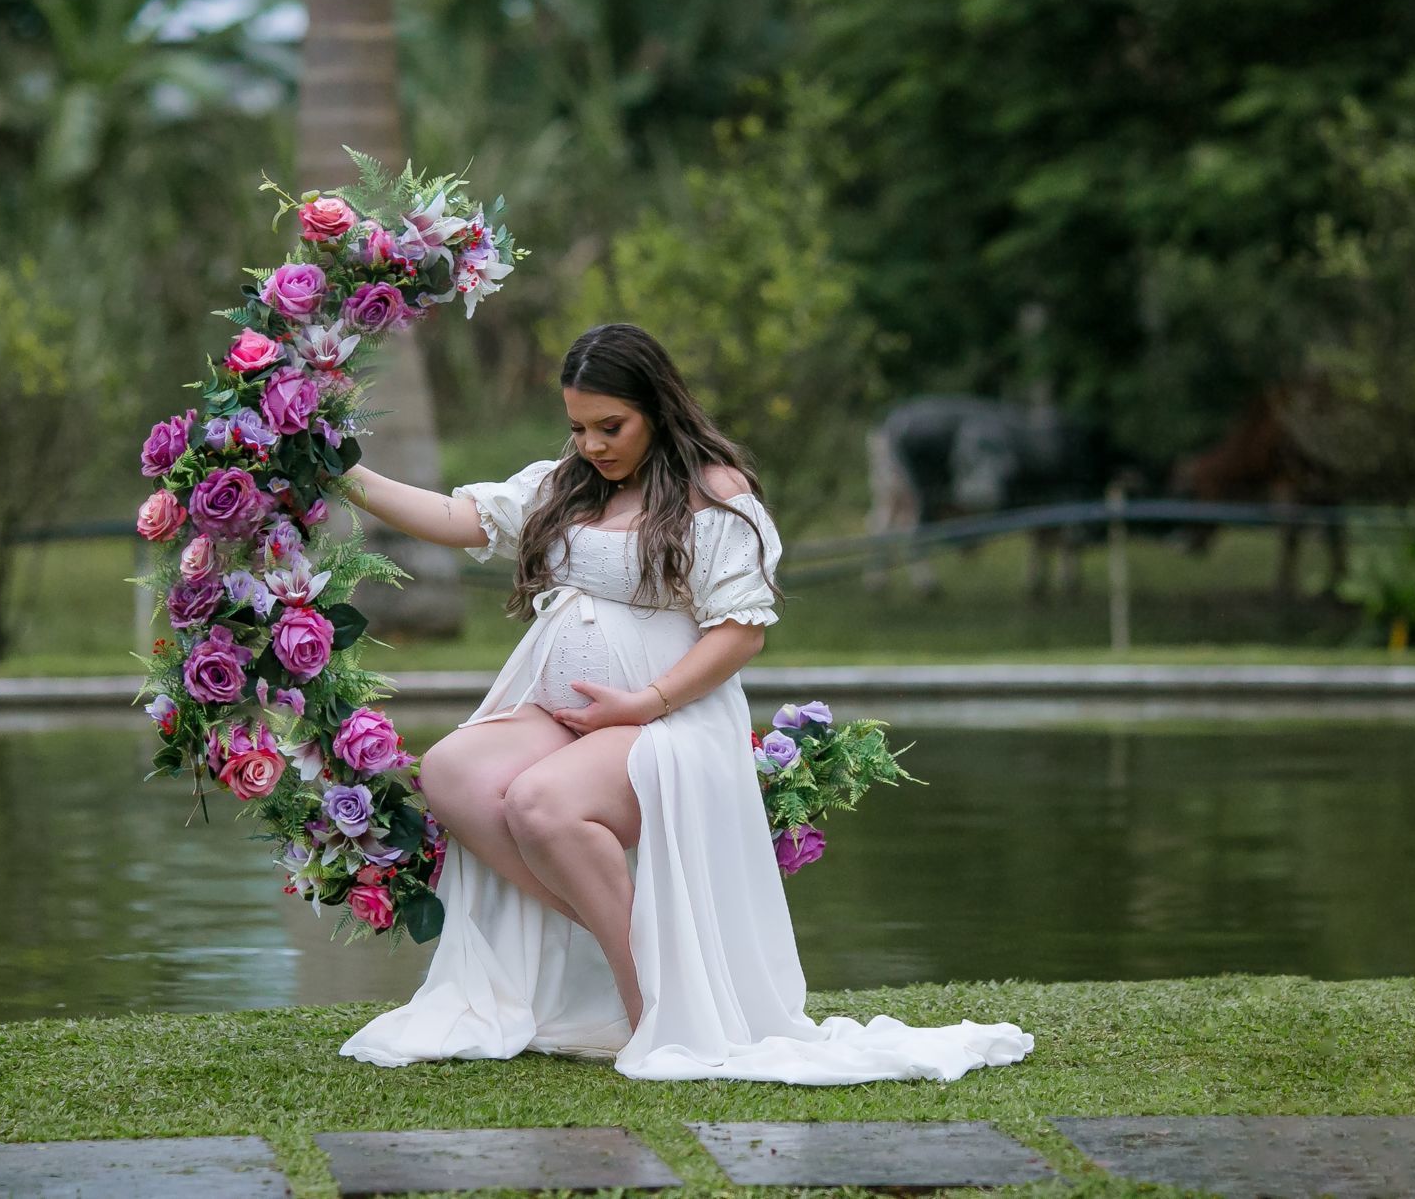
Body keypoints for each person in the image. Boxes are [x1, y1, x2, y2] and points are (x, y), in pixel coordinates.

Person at [336, 322, 1034, 1084]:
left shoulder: (713, 493)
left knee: (542, 804)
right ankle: (640, 952)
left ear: (658, 408)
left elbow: (740, 634)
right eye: (578, 426)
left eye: (612, 426)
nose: (594, 444)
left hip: (669, 715)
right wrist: (344, 473)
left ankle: (651, 1002)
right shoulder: (568, 482)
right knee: (454, 771)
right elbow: (457, 518)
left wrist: (641, 702)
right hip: (562, 706)